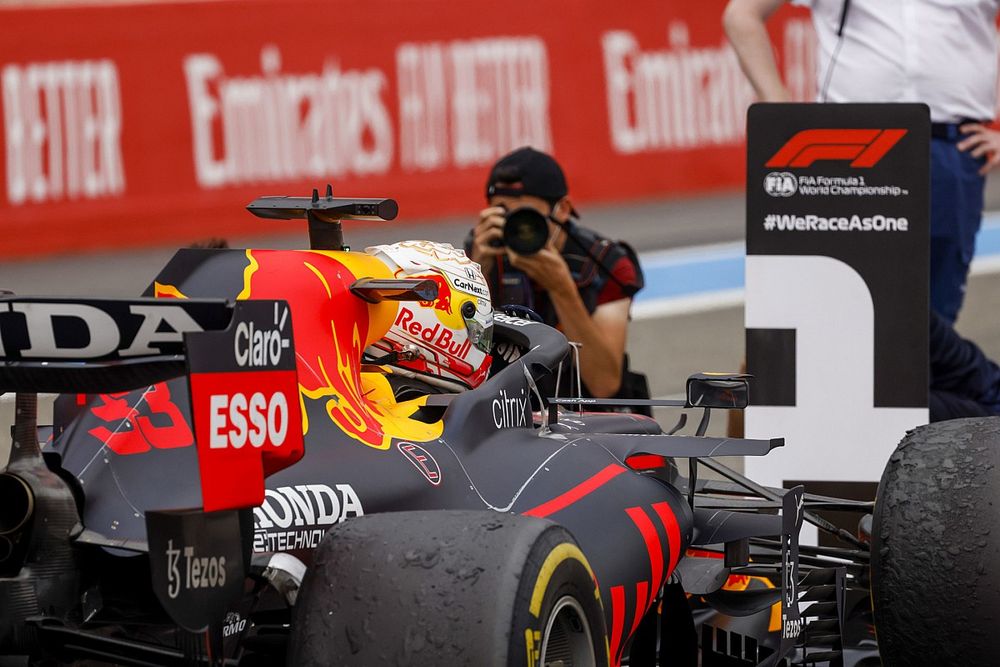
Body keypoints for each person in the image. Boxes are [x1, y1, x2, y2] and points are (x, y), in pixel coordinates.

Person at [723, 0, 1000, 325]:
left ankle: (926, 375)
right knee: (837, 299)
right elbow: (741, 15)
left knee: (936, 310)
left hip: (949, 143)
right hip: (848, 149)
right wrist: (781, 110)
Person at [466, 146, 647, 402]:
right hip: (506, 410)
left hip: (586, 414)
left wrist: (562, 289)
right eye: (504, 216)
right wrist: (475, 277)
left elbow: (604, 384)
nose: (517, 228)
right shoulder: (479, 254)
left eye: (526, 216)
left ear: (562, 209)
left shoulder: (605, 264)